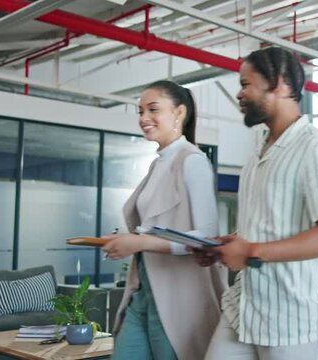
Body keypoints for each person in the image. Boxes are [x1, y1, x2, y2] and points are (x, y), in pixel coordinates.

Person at [192, 47, 318, 360]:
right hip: (246, 308)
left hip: (296, 318)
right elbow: (263, 227)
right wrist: (227, 246)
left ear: (279, 84)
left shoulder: (317, 149)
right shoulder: (256, 155)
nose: (239, 93)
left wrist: (251, 252)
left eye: (246, 84)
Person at [102, 80, 228, 360]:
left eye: (153, 109)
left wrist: (140, 242)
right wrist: (128, 241)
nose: (144, 118)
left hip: (176, 297)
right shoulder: (158, 164)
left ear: (179, 113)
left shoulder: (192, 160)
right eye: (140, 111)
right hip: (142, 291)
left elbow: (207, 237)